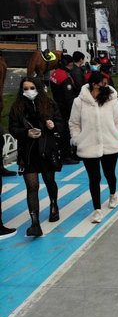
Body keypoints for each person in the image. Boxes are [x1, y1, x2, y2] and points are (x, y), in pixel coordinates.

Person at [9, 77, 64, 237]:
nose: (28, 91)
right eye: (25, 88)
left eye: (31, 87)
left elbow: (61, 124)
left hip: (46, 149)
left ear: (38, 88)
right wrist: (25, 133)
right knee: (32, 187)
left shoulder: (49, 104)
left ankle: (54, 204)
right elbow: (12, 128)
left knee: (49, 180)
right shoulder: (17, 107)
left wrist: (53, 126)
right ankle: (35, 223)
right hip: (28, 152)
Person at [69, 71, 118, 223]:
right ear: (94, 84)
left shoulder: (111, 99)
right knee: (94, 178)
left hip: (110, 143)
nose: (106, 86)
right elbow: (74, 123)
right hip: (88, 145)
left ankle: (113, 194)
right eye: (103, 83)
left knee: (109, 174)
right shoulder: (79, 102)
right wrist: (77, 139)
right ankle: (97, 209)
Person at [49, 53, 81, 165]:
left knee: (62, 132)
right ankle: (66, 156)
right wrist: (73, 111)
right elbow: (68, 97)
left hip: (56, 105)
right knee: (65, 133)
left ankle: (64, 154)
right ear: (70, 64)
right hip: (65, 109)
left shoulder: (54, 73)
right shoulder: (65, 77)